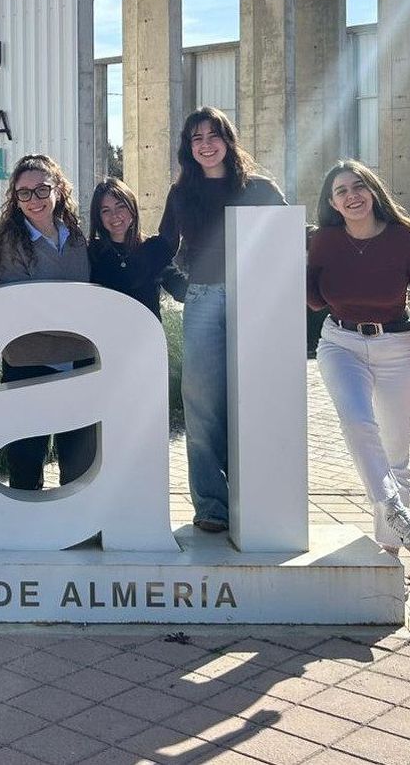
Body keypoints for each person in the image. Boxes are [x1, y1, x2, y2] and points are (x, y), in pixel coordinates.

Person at [159, 107, 285, 534]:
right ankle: (212, 505)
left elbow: (289, 237)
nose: (206, 145)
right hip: (204, 302)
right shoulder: (182, 195)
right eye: (196, 138)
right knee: (202, 402)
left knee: (254, 398)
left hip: (254, 302)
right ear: (188, 148)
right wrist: (182, 288)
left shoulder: (260, 189)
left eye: (213, 135)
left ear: (229, 140)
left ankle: (256, 497)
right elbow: (162, 250)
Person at [307, 160, 410, 554]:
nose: (352, 196)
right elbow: (314, 301)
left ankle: (391, 555)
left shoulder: (405, 239)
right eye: (341, 191)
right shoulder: (325, 241)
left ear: (372, 191)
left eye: (358, 186)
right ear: (332, 203)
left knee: (396, 455)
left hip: (399, 348)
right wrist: (302, 264)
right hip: (341, 344)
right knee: (357, 422)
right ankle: (393, 508)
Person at [0, 153, 97, 490]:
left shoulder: (76, 237)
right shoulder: (9, 243)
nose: (34, 199)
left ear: (58, 189)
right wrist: (79, 323)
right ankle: (25, 522)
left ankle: (74, 519)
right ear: (15, 199)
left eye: (42, 189)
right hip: (29, 362)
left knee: (78, 463)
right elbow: (23, 308)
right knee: (27, 462)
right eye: (24, 193)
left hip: (79, 362)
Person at [88, 176, 186, 319]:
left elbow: (182, 290)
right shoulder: (91, 253)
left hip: (147, 332)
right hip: (105, 332)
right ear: (99, 218)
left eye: (120, 206)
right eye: (105, 210)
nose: (114, 215)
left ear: (132, 208)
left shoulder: (154, 250)